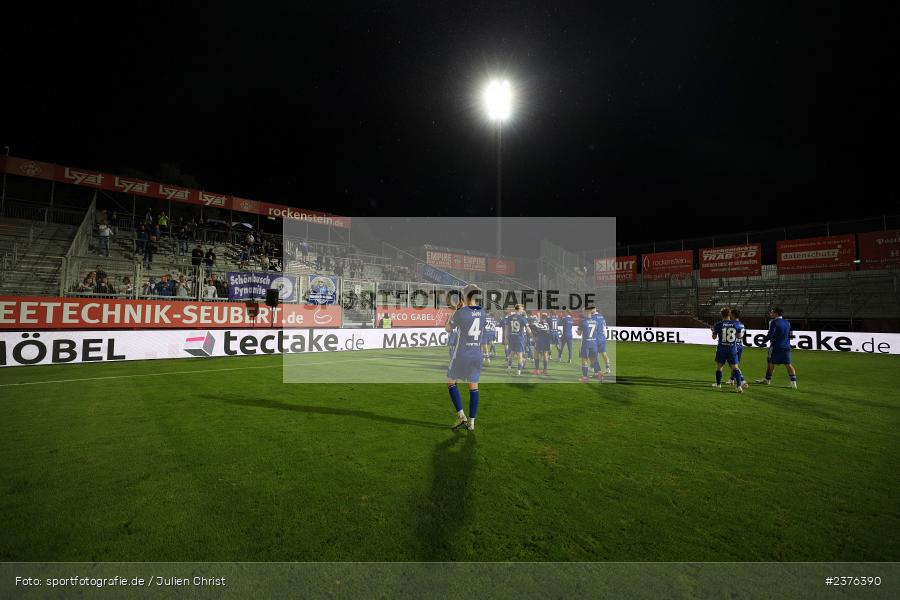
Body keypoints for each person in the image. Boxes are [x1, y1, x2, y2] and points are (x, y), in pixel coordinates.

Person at [446, 284, 485, 432]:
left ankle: (461, 416)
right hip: (476, 353)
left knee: (450, 382)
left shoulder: (461, 312)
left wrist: (455, 311)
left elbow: (448, 328)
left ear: (466, 295)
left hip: (462, 353)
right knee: (473, 386)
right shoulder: (483, 311)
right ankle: (472, 422)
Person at [756, 307, 798, 388]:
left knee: (770, 363)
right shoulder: (787, 322)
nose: (770, 314)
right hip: (786, 346)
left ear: (776, 313)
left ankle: (767, 380)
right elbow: (789, 335)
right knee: (788, 364)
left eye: (772, 312)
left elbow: (770, 334)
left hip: (775, 346)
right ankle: (793, 383)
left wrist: (763, 343)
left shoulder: (774, 322)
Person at [711, 307, 746, 393]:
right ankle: (738, 386)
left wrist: (713, 331)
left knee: (719, 367)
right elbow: (739, 337)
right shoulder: (735, 324)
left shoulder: (718, 324)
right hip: (732, 349)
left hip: (721, 349)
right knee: (735, 367)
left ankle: (718, 384)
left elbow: (714, 337)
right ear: (729, 314)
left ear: (721, 315)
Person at [577, 308, 600, 383]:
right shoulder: (595, 322)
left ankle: (585, 378)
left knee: (584, 360)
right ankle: (599, 375)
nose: (582, 313)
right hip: (593, 343)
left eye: (583, 311)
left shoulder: (583, 322)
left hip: (586, 343)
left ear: (586, 312)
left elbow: (579, 333)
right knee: (594, 360)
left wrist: (577, 331)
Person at [726, 308, 748, 388]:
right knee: (735, 363)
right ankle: (732, 379)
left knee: (733, 365)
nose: (729, 314)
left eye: (730, 313)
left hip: (733, 346)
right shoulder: (741, 324)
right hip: (740, 346)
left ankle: (742, 380)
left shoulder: (731, 323)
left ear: (733, 315)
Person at [506, 304, 529, 376]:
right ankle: (519, 371)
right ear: (518, 309)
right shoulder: (522, 318)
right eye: (522, 309)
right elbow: (528, 329)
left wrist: (505, 338)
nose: (523, 310)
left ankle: (509, 368)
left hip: (512, 338)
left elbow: (507, 329)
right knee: (520, 355)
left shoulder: (509, 317)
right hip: (519, 339)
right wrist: (532, 334)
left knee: (512, 353)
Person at [592, 307, 611, 375]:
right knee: (604, 353)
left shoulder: (593, 317)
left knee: (594, 355)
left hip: (596, 338)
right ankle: (608, 368)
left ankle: (596, 372)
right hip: (602, 337)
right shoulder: (602, 317)